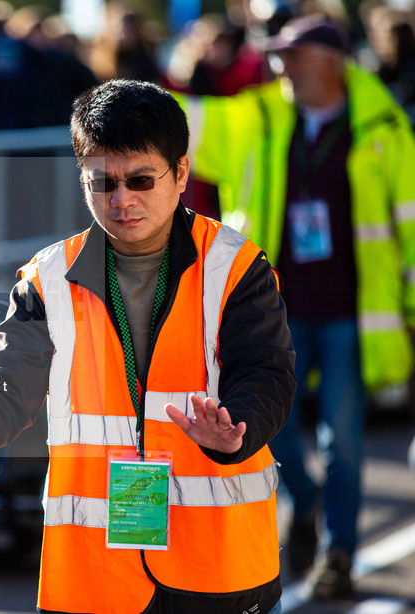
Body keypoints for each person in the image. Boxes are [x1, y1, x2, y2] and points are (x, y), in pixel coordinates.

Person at [0, 80, 295, 613]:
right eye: (102, 182)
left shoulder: (238, 267)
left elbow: (266, 372)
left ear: (181, 174)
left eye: (140, 179)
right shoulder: (46, 278)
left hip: (215, 565)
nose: (121, 199)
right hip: (92, 575)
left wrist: (235, 429)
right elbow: (6, 388)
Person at [176, 14, 415, 599]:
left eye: (296, 55)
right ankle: (303, 505)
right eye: (278, 54)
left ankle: (338, 554)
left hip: (350, 315)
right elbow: (180, 118)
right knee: (264, 428)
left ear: (332, 62)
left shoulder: (384, 126)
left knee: (344, 442)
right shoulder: (258, 115)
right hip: (269, 312)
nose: (282, 65)